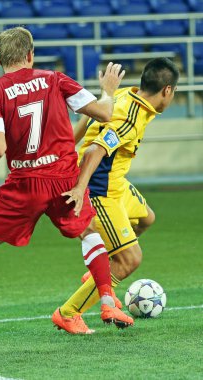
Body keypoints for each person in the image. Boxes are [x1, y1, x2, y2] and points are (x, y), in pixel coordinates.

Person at [0, 27, 133, 348]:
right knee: (89, 231)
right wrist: (109, 89)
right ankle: (108, 300)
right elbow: (105, 113)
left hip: (24, 185)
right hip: (64, 180)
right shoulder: (56, 79)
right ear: (31, 55)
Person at [51, 57, 179, 334]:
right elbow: (95, 150)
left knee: (146, 219)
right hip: (100, 191)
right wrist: (79, 188)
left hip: (117, 184)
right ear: (167, 90)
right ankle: (69, 313)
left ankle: (102, 271)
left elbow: (92, 114)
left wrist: (68, 144)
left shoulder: (126, 93)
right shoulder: (130, 118)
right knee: (130, 259)